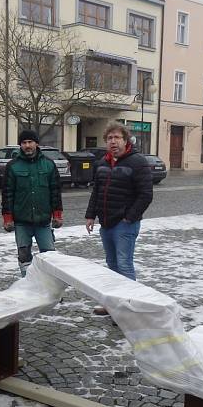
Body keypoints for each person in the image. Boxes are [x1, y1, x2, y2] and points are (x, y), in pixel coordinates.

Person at [85, 122, 153, 313]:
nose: (113, 141)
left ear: (125, 140)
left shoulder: (137, 162)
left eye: (117, 137)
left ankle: (127, 309)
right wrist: (90, 215)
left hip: (125, 224)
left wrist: (129, 218)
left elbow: (146, 194)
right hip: (106, 223)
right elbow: (96, 191)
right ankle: (114, 304)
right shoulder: (103, 163)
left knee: (124, 265)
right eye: (109, 138)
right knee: (112, 265)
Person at [1, 129, 63, 276]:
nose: (27, 145)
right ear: (20, 145)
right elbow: (7, 194)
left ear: (36, 143)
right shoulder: (13, 166)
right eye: (24, 143)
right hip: (22, 221)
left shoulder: (48, 165)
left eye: (30, 142)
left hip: (43, 221)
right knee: (24, 258)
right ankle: (27, 287)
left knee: (49, 257)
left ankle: (50, 290)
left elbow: (55, 191)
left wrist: (57, 215)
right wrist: (7, 218)